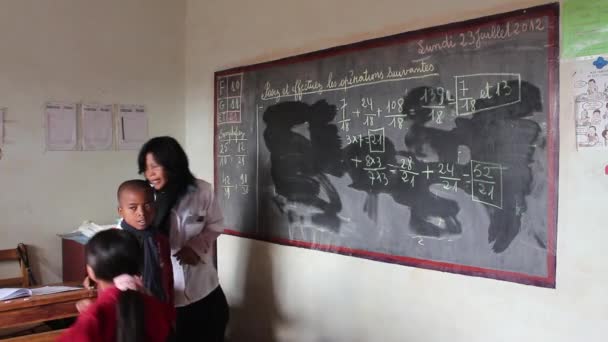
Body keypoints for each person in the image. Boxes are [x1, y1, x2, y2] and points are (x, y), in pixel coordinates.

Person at [138, 136, 229, 341]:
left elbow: (215, 225)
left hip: (204, 288)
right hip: (166, 297)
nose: (149, 174)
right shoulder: (145, 196)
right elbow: (126, 232)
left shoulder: (202, 190)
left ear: (173, 164)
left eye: (155, 167)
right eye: (145, 168)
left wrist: (195, 247)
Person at [59, 229, 175, 342]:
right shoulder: (159, 308)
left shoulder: (94, 317)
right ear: (138, 267)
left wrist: (92, 312)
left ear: (91, 272)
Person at [79, 180, 173, 308]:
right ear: (120, 211)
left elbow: (167, 277)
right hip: (122, 310)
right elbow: (95, 274)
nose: (141, 213)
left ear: (155, 207)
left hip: (157, 308)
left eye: (147, 205)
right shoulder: (111, 241)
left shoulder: (160, 239)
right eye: (133, 208)